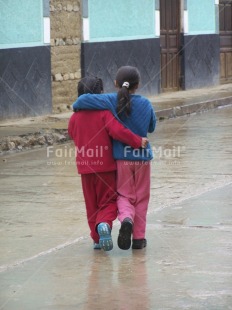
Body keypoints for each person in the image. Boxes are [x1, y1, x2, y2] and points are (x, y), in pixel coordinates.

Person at [72, 66, 156, 250]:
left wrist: (76, 106)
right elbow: (147, 128)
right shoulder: (142, 104)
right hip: (130, 161)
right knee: (133, 199)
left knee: (118, 197)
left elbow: (81, 110)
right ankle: (137, 238)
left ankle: (113, 227)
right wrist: (137, 140)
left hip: (106, 163)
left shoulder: (108, 102)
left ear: (116, 84)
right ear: (138, 84)